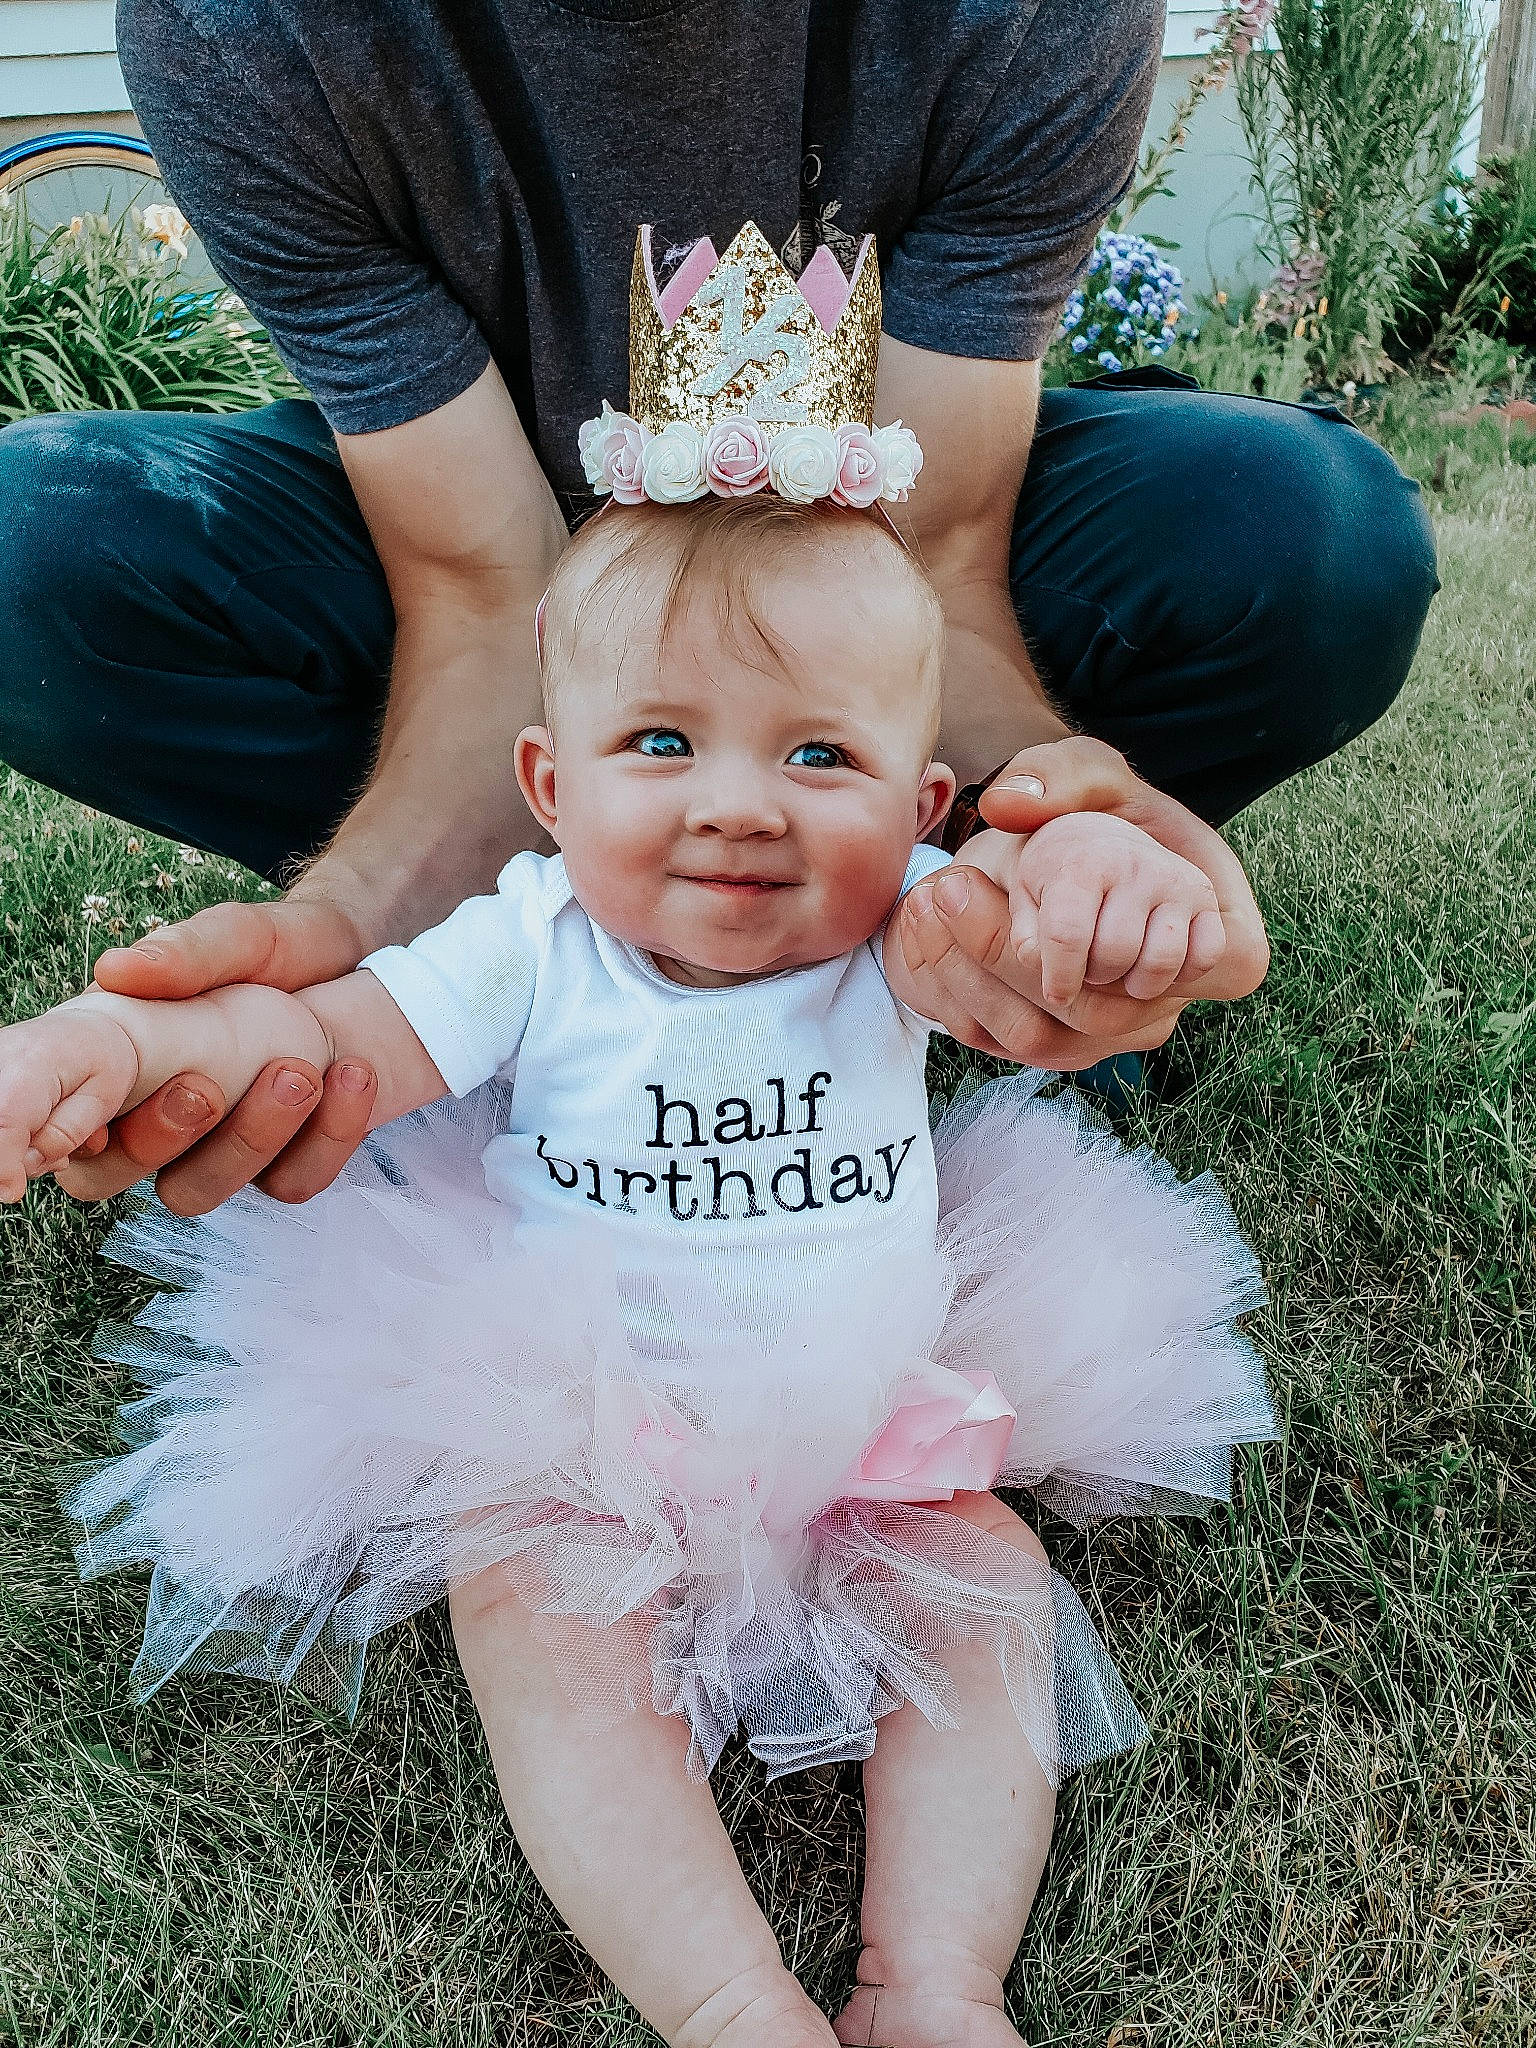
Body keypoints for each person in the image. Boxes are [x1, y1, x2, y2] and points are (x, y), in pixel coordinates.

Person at [1, 457, 1278, 2048]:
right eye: (660, 743)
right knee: (533, 1610)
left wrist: (1105, 874)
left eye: (821, 754)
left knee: (992, 1593)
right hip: (596, 1432)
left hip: (869, 1427)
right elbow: (322, 1036)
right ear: (549, 782)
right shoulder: (531, 944)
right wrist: (123, 1041)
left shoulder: (915, 924)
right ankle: (733, 2003)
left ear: (921, 804)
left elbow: (1056, 944)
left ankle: (934, 1982)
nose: (737, 803)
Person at [0, 0, 1434, 1216]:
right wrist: (348, 934)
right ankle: (539, 933)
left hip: (876, 535)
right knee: (30, 547)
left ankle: (989, 943)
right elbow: (482, 583)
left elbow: (931, 552)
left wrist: (1059, 818)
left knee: (1307, 531)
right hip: (467, 529)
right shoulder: (247, 24)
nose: (735, 805)